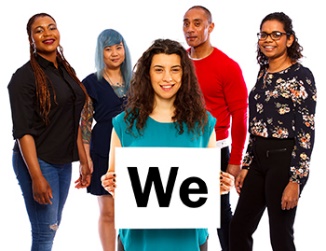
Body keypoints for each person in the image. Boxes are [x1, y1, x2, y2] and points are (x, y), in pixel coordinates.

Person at [100, 38, 235, 251]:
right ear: (148, 74)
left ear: (184, 74)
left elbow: (206, 185)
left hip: (189, 240)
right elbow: (117, 181)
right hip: (138, 240)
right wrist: (111, 183)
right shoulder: (124, 124)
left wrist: (220, 185)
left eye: (175, 69)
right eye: (159, 69)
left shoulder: (204, 123)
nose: (167, 78)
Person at [229, 12, 317, 251]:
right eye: (264, 34)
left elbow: (306, 131)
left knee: (279, 236)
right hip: (258, 158)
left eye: (276, 34)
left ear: (289, 39)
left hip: (284, 159)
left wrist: (296, 180)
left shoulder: (301, 76)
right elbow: (256, 124)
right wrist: (247, 165)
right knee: (238, 229)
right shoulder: (263, 73)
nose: (268, 39)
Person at [7, 13, 91, 251]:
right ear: (30, 39)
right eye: (39, 30)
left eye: (51, 27)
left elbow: (72, 119)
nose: (47, 33)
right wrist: (36, 176)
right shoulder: (24, 78)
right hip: (38, 159)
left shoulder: (65, 70)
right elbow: (23, 132)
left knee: (53, 226)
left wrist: (84, 161)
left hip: (63, 161)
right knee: (45, 232)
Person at [182, 5, 248, 251]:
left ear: (210, 27)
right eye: (186, 23)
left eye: (197, 23)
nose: (190, 29)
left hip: (216, 150)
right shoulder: (178, 63)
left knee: (219, 211)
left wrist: (235, 160)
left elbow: (240, 117)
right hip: (183, 148)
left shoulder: (227, 66)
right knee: (186, 210)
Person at [80, 28, 132, 251]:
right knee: (108, 211)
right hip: (103, 150)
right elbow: (84, 125)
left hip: (134, 149)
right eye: (107, 49)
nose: (114, 53)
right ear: (99, 53)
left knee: (134, 209)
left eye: (118, 47)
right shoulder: (91, 83)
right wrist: (85, 159)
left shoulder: (137, 80)